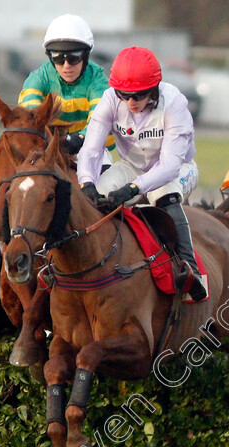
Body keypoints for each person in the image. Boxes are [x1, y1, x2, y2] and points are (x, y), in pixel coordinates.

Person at [77, 46, 206, 301]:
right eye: (124, 95)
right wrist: (86, 183)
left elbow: (169, 165)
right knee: (95, 199)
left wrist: (135, 188)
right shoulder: (110, 99)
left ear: (154, 88)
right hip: (132, 166)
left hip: (177, 169)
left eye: (138, 96)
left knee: (163, 193)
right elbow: (91, 149)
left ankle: (190, 269)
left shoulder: (175, 102)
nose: (131, 102)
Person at [19, 14, 114, 160]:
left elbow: (101, 124)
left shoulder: (98, 81)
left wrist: (79, 138)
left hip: (89, 148)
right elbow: (30, 117)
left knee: (105, 179)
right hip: (48, 148)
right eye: (58, 58)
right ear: (50, 57)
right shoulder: (37, 79)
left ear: (86, 55)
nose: (66, 66)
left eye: (73, 57)